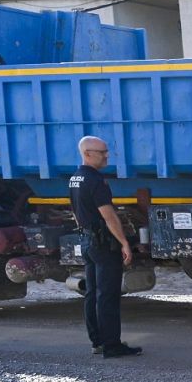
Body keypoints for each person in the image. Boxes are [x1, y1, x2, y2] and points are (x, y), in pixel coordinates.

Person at [69, 137, 142, 358]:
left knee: (92, 292)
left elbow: (74, 210)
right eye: (102, 152)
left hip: (87, 241)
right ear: (88, 154)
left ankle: (97, 341)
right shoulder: (95, 180)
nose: (107, 156)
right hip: (102, 243)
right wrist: (124, 243)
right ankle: (112, 345)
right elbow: (109, 216)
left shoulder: (75, 178)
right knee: (107, 294)